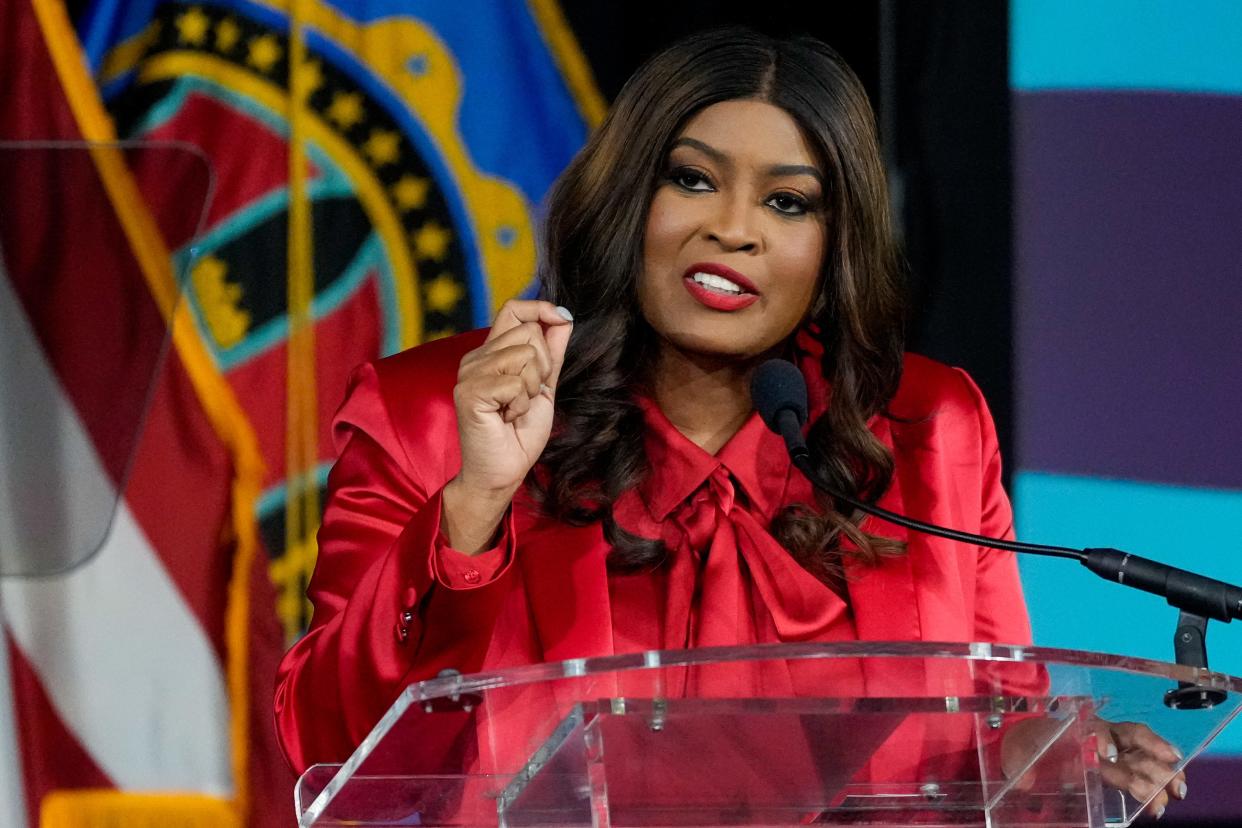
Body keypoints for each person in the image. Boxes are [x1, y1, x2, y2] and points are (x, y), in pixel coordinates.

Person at [274, 27, 1185, 816]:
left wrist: (1059, 762)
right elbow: (330, 743)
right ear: (629, 196)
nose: (734, 229)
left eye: (787, 201)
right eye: (693, 180)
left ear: (837, 245)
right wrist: (475, 502)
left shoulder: (925, 426)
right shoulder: (436, 408)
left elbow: (996, 728)